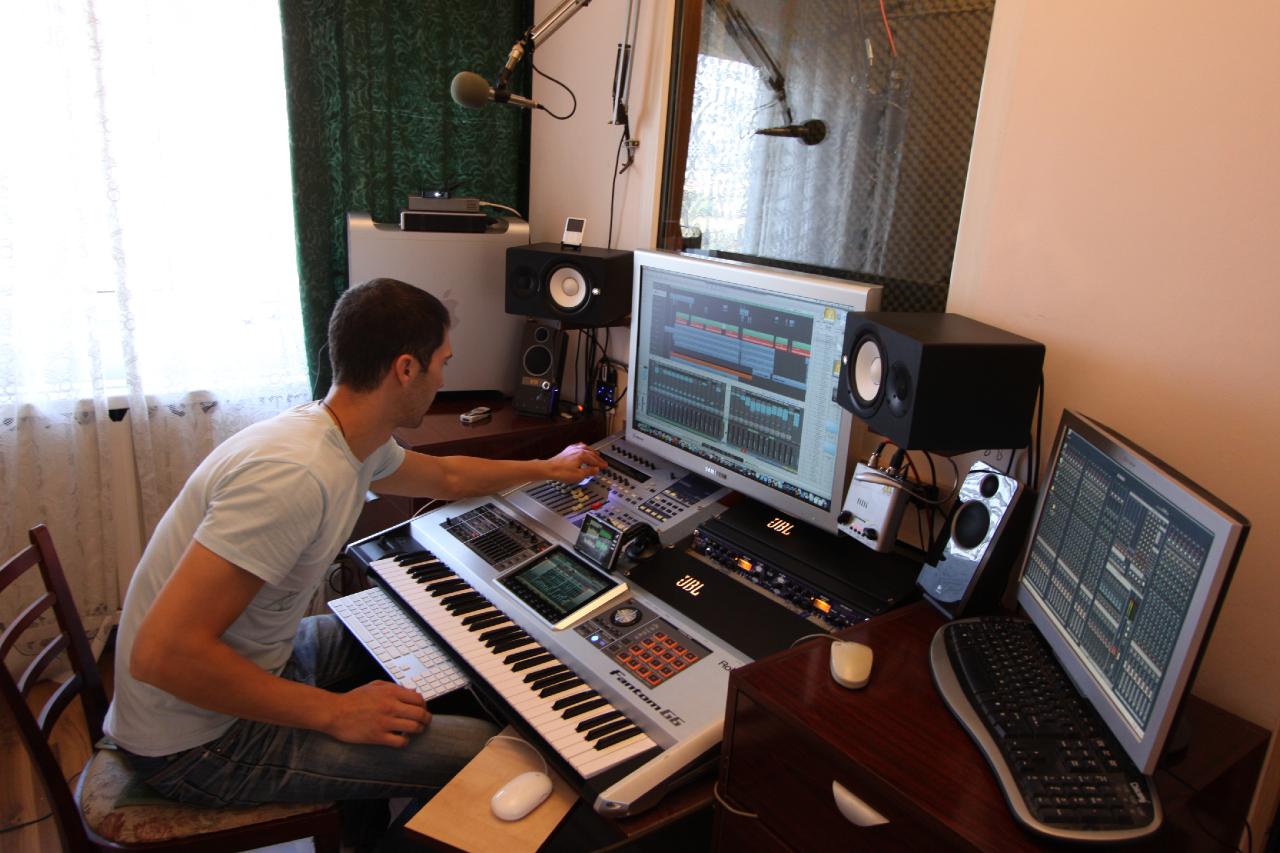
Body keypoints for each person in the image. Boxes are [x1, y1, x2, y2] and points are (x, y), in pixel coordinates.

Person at [103, 278, 607, 815]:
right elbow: (161, 655)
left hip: (256, 664)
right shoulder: (295, 477)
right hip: (197, 743)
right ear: (406, 369)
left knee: (421, 632)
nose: (444, 377)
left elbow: (448, 477)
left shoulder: (342, 435)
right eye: (443, 362)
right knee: (491, 754)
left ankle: (361, 821)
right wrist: (336, 713)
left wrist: (547, 468)